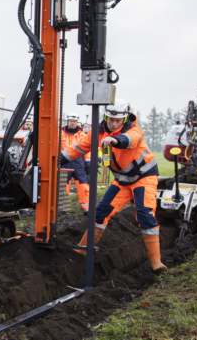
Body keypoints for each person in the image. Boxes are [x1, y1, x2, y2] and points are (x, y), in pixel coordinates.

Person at [61, 103, 167, 273]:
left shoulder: (134, 129)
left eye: (118, 120)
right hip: (122, 180)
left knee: (144, 214)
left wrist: (115, 140)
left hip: (144, 177)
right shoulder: (97, 132)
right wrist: (58, 159)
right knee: (101, 212)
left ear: (124, 118)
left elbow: (129, 139)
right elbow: (78, 148)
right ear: (106, 117)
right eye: (111, 119)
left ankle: (156, 263)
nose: (114, 123)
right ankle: (82, 250)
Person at [60, 114, 90, 212]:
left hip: (78, 162)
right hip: (64, 161)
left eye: (74, 121)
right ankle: (63, 208)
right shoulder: (60, 133)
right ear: (68, 122)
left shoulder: (82, 135)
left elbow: (87, 149)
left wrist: (88, 162)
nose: (73, 123)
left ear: (77, 122)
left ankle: (85, 206)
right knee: (63, 184)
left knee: (83, 184)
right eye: (71, 121)